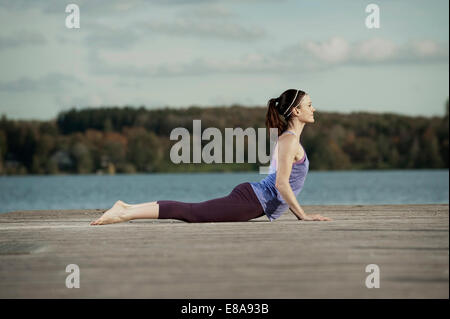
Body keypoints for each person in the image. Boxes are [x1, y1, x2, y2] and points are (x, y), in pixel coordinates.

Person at [90, 89, 331, 225]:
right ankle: (125, 212)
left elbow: (282, 183)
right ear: (296, 111)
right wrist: (304, 216)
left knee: (194, 211)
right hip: (252, 200)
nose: (313, 109)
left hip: (253, 198)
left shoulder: (289, 139)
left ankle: (126, 208)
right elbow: (281, 183)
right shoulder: (289, 140)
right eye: (309, 105)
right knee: (193, 213)